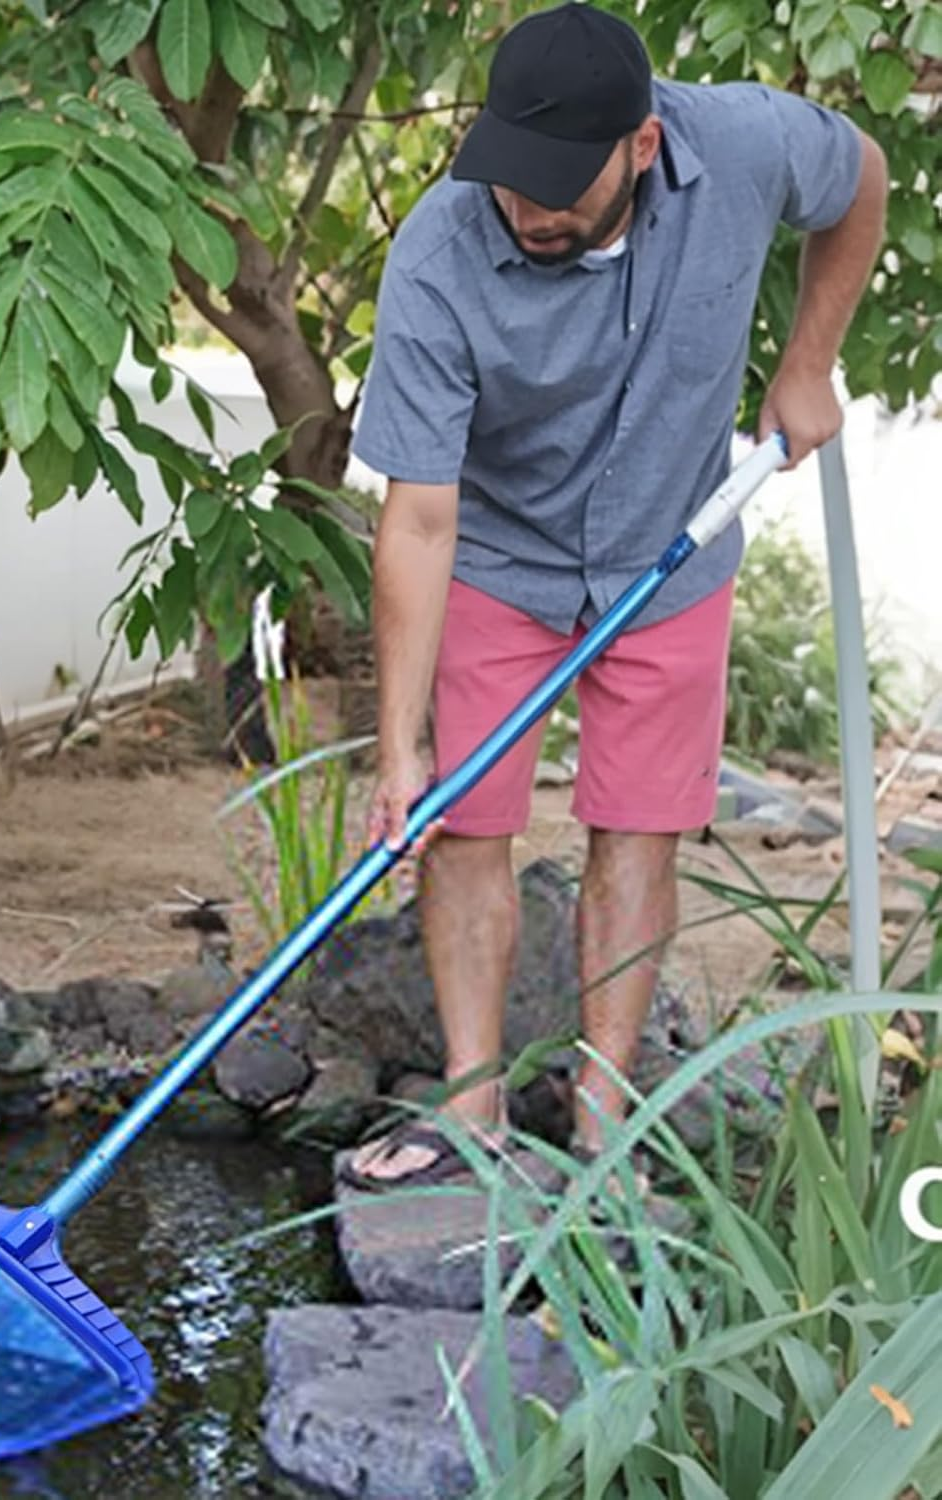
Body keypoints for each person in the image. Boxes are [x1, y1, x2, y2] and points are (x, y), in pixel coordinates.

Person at [344, 1, 887, 1191]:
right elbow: (420, 519)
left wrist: (807, 364)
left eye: (555, 184)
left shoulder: (742, 144)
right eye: (509, 176)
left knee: (639, 831)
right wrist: (399, 751)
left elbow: (863, 177)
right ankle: (473, 1109)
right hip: (499, 556)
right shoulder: (441, 252)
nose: (525, 207)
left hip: (671, 550)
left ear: (641, 147)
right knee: (465, 826)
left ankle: (604, 1122)